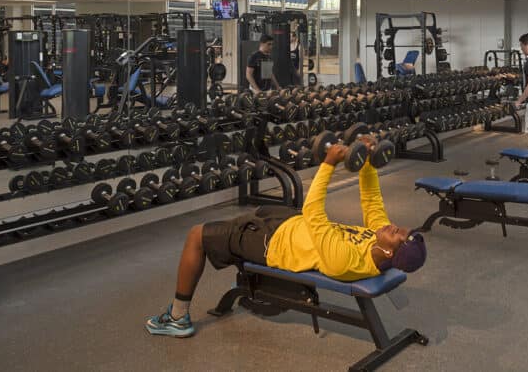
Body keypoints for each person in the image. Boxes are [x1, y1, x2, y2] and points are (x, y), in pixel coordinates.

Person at [145, 142, 426, 337]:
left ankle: (177, 317)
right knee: (250, 214)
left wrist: (328, 164)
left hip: (273, 243)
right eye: (402, 229)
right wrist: (365, 160)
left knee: (197, 235)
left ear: (390, 254)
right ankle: (241, 277)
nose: (395, 228)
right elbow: (373, 202)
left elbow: (314, 211)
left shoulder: (347, 261)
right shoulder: (379, 241)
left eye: (398, 235)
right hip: (290, 224)